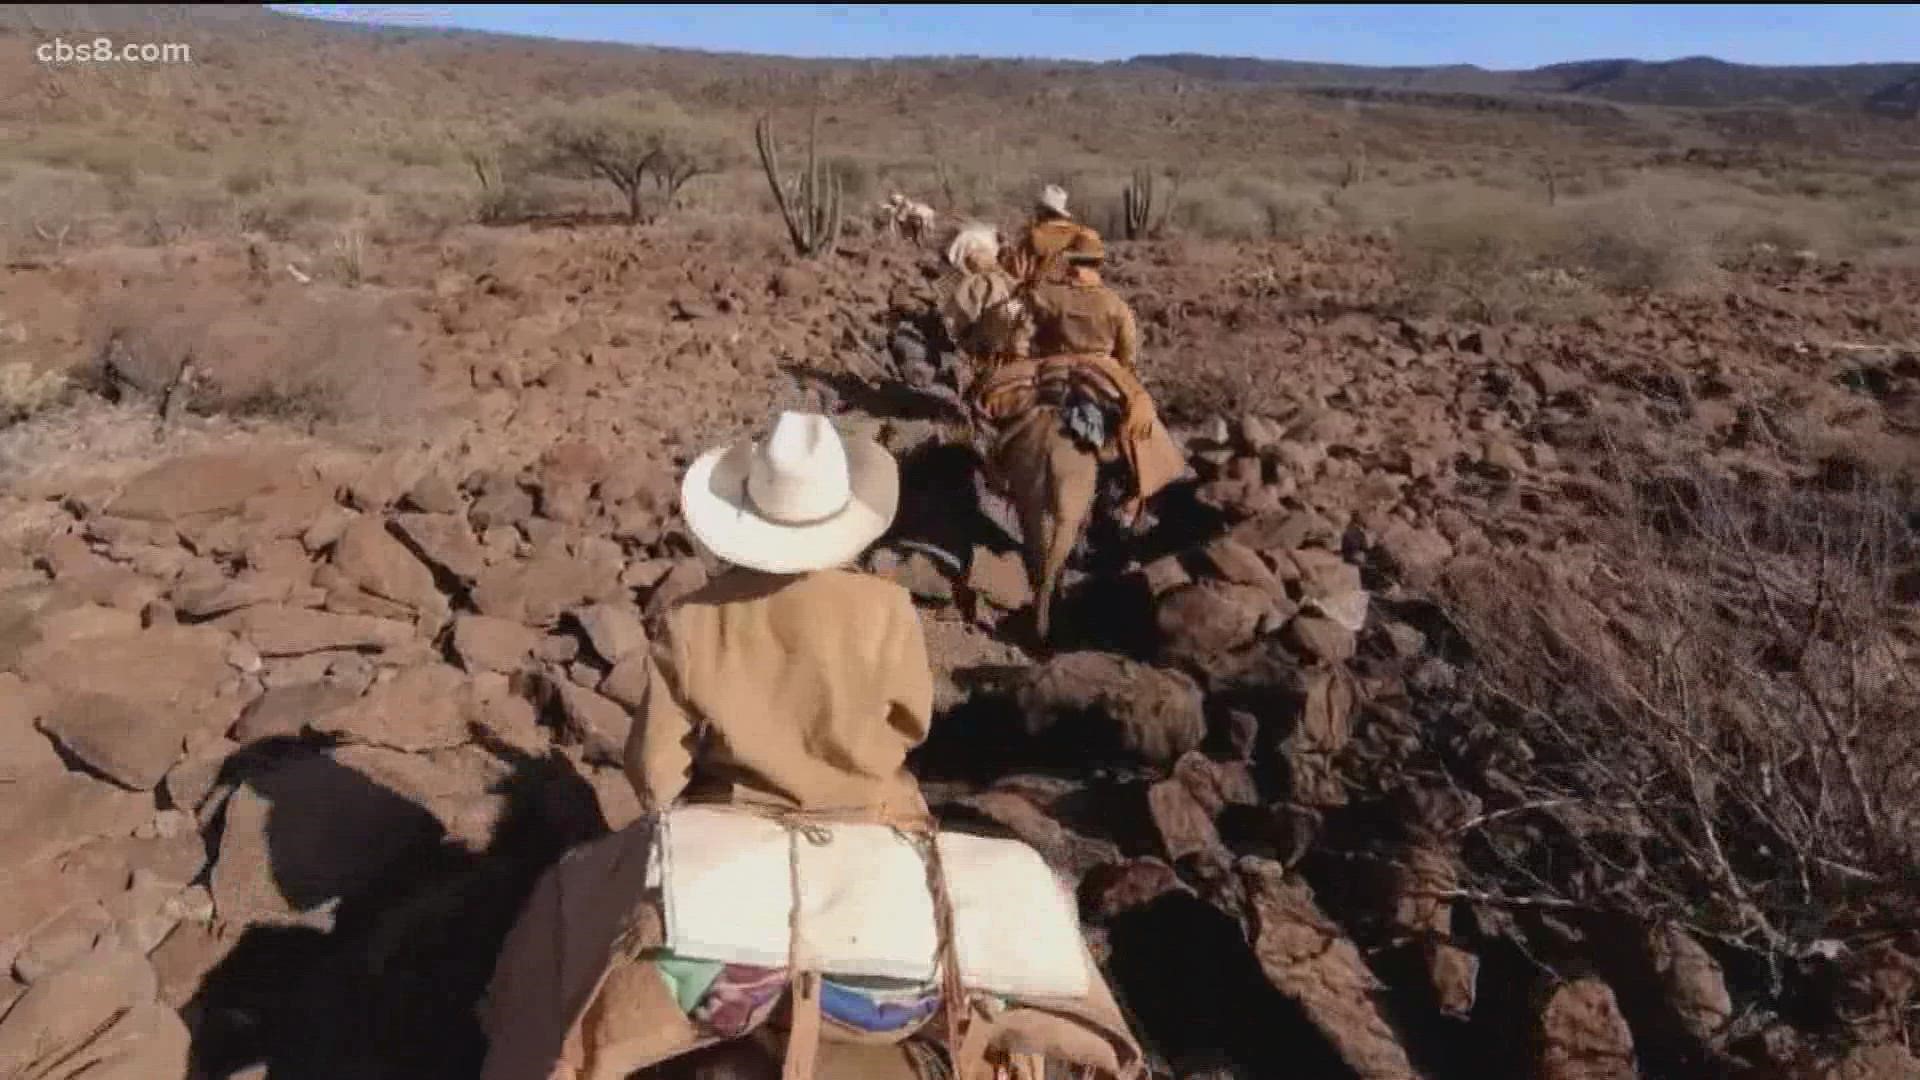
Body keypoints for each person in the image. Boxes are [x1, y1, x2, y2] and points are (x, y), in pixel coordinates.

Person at [477, 412, 1145, 1080]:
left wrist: (685, 799)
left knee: (570, 926)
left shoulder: (693, 618)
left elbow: (654, 769)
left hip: (729, 814)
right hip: (876, 811)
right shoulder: (886, 608)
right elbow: (910, 723)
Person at [1026, 230, 1140, 370]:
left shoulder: (1043, 295)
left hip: (1053, 370)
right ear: (1098, 264)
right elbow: (1128, 356)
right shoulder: (1117, 305)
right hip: (1103, 371)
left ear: (1070, 261)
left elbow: (1018, 323)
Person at [1004, 184, 1094, 286]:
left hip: (1044, 292)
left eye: (1038, 208)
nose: (1036, 211)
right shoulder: (1079, 232)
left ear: (1043, 210)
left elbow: (1018, 273)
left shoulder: (1034, 235)